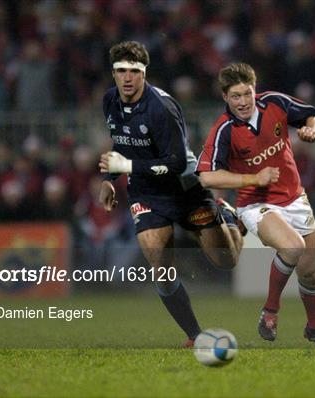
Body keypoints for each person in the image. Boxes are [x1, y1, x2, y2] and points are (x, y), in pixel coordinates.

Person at [98, 41, 243, 347]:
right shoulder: (110, 100)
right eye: (121, 71)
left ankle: (228, 215)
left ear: (144, 72)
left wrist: (128, 165)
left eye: (133, 71)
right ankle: (194, 335)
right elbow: (122, 145)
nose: (127, 78)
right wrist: (111, 178)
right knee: (161, 269)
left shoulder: (161, 107)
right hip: (147, 194)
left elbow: (176, 163)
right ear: (113, 73)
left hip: (185, 189)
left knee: (226, 260)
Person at [196, 63, 315, 348]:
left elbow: (311, 117)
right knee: (292, 247)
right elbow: (207, 176)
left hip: (295, 197)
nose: (243, 101)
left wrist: (313, 131)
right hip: (256, 203)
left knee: (310, 271)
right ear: (225, 97)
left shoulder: (275, 102)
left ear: (254, 89)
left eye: (246, 93)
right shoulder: (224, 129)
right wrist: (253, 177)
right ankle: (270, 310)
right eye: (235, 96)